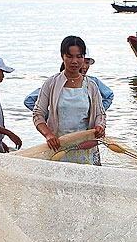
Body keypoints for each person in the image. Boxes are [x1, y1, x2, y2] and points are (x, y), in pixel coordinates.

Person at [32, 35, 107, 165]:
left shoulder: (91, 85)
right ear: (63, 56)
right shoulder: (51, 83)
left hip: (84, 149)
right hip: (58, 149)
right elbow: (38, 114)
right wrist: (48, 135)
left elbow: (100, 114)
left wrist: (100, 126)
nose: (74, 61)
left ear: (84, 58)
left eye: (79, 57)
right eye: (70, 56)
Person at [24, 47, 113, 112]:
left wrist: (96, 113)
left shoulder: (92, 83)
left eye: (87, 63)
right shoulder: (54, 83)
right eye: (83, 62)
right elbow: (30, 101)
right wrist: (49, 116)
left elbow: (109, 95)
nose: (85, 67)